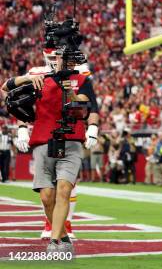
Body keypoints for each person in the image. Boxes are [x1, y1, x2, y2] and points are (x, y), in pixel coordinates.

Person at [3, 45, 100, 255]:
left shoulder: (81, 78)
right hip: (43, 139)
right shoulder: (39, 75)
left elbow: (88, 107)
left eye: (63, 58)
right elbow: (6, 91)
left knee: (65, 190)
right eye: (56, 57)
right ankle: (61, 233)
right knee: (47, 196)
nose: (58, 61)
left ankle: (55, 241)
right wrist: (21, 127)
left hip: (71, 139)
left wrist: (92, 127)